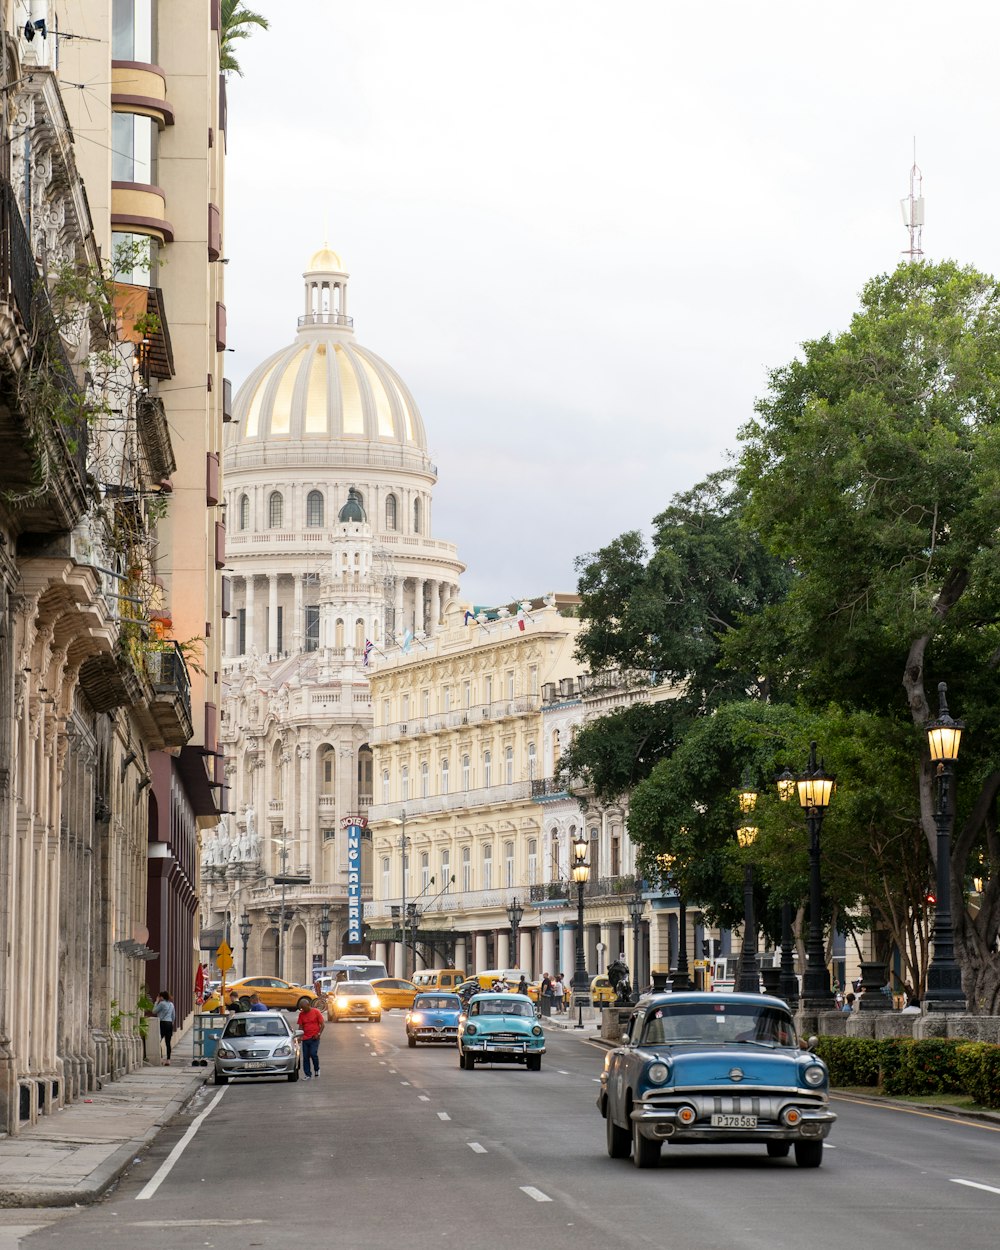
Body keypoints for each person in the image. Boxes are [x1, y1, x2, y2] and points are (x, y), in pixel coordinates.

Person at [297, 995, 325, 1080]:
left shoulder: (316, 1012)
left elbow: (323, 1025)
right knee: (305, 1057)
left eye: (304, 1008)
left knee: (313, 1054)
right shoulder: (301, 1014)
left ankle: (317, 1069)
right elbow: (300, 1027)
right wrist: (299, 1037)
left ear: (308, 1005)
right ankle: (308, 1074)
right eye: (302, 1008)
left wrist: (318, 1034)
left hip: (314, 1038)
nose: (303, 1010)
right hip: (305, 1038)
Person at [152, 991, 175, 1065]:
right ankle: (168, 1060)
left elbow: (154, 1011)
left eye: (159, 996)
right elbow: (173, 1016)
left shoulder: (161, 1004)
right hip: (169, 1024)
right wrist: (172, 1023)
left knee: (158, 1040)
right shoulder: (171, 1004)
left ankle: (161, 1058)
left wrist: (156, 1002)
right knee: (168, 1042)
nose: (159, 998)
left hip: (162, 1023)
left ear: (162, 997)